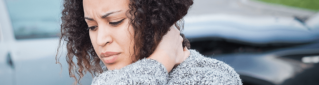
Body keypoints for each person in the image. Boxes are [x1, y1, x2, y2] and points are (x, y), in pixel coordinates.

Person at [57, 0, 242, 84]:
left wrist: (157, 63)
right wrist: (162, 58)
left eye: (115, 22)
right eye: (92, 26)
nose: (101, 39)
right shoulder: (113, 78)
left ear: (154, 16)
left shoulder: (213, 77)